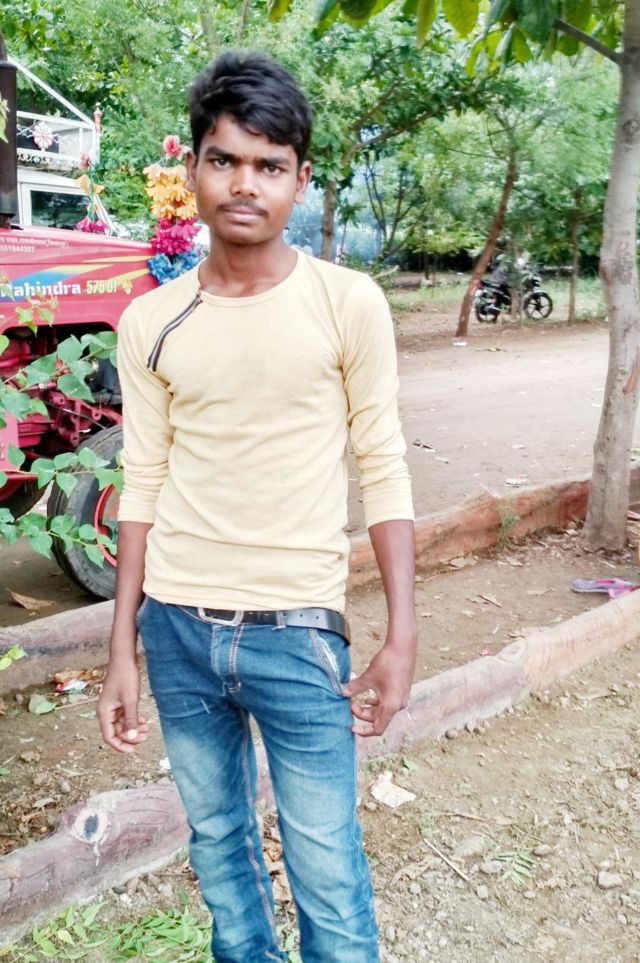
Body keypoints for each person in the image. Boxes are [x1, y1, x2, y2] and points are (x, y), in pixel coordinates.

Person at [97, 50, 416, 963]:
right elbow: (143, 478)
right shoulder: (151, 321)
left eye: (269, 165)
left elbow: (382, 463)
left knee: (328, 872)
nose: (245, 185)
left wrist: (402, 632)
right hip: (176, 626)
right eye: (224, 160)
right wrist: (122, 645)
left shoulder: (346, 303)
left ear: (300, 179)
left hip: (298, 631)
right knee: (218, 853)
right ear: (193, 169)